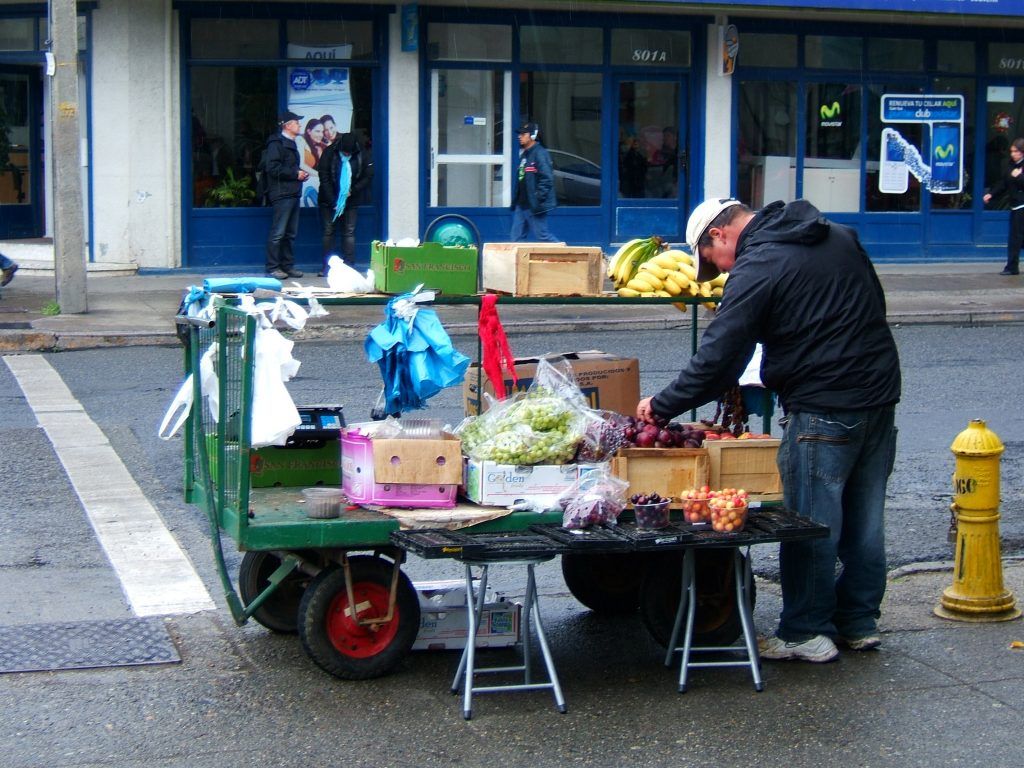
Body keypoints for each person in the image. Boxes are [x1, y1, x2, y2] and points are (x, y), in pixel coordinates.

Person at [636, 197, 901, 663]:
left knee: (811, 523)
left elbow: (720, 357)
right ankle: (859, 621)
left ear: (719, 235)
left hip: (823, 405)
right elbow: (872, 307)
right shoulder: (839, 236)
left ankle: (805, 630)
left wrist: (661, 406)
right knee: (865, 520)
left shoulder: (759, 264)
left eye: (712, 259)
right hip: (879, 396)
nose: (717, 268)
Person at [316, 132, 374, 276]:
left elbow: (368, 176)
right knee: (329, 231)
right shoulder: (329, 152)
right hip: (329, 200)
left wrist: (352, 190)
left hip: (351, 199)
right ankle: (327, 268)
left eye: (349, 152)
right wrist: (332, 200)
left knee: (349, 233)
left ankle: (349, 266)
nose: (346, 154)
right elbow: (324, 177)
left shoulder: (362, 154)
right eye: (344, 152)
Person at [263, 110, 308, 279]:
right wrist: (295, 174)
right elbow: (272, 168)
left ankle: (287, 266)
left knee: (290, 233)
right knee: (278, 233)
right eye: (297, 122)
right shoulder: (276, 144)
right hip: (282, 194)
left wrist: (299, 173)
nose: (299, 125)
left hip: (292, 192)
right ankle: (273, 267)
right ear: (288, 126)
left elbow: (285, 167)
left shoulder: (290, 142)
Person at [982, 136, 1024, 276]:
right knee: (1015, 238)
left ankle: (1012, 267)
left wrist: (1019, 177)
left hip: (1022, 206)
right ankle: (1012, 267)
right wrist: (991, 194)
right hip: (1016, 206)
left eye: (1016, 151)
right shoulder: (1011, 165)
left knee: (1016, 238)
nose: (1013, 154)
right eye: (1012, 151)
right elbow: (1004, 183)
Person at [510, 122, 559, 242]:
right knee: (516, 239)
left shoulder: (540, 153)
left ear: (532, 135)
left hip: (533, 204)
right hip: (521, 204)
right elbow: (522, 178)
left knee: (543, 237)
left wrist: (537, 198)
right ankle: (519, 261)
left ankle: (566, 256)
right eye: (519, 134)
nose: (519, 136)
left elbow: (547, 178)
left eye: (523, 134)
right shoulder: (525, 154)